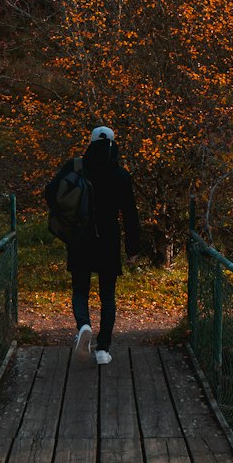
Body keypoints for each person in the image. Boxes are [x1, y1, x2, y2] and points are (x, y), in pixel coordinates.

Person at [44, 125, 140, 366]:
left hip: (80, 238)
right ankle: (103, 349)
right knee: (107, 295)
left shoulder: (76, 167)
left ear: (90, 142)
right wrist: (132, 248)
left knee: (80, 289)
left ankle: (83, 326)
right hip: (108, 240)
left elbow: (50, 192)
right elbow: (130, 214)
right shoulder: (121, 174)